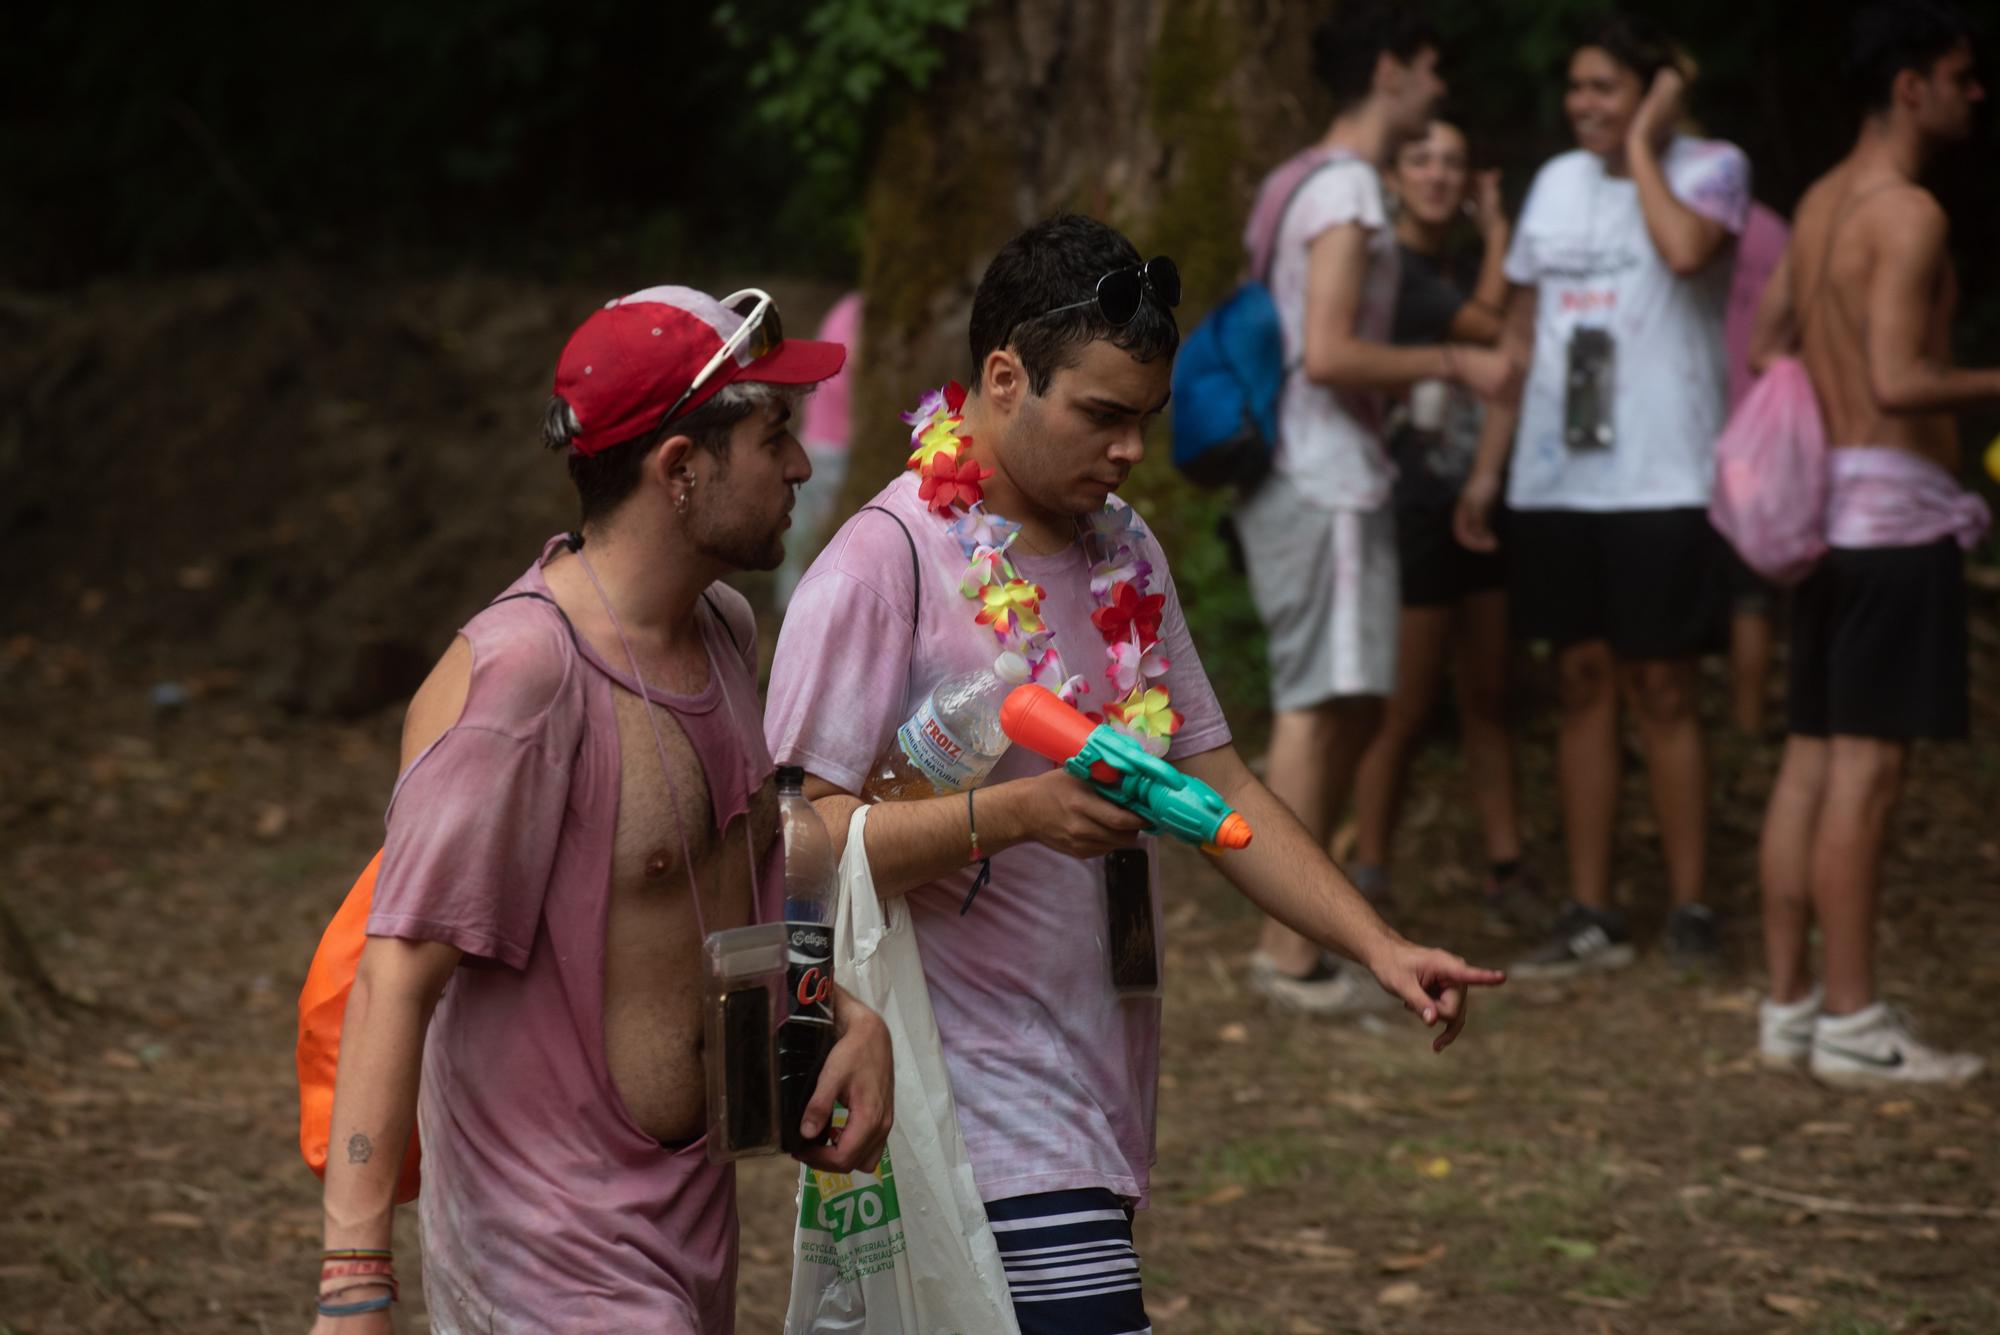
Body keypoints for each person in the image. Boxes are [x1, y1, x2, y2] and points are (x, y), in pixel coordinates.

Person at [765, 214, 1505, 1335]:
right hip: (961, 1102)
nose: (1127, 453)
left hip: (1098, 1086)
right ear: (1004, 378)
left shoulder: (1123, 546)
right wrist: (1017, 813)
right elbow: (792, 845)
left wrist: (1375, 944)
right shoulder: (885, 563)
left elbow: (1223, 787)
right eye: (1102, 416)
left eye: (1142, 422)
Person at [309, 286, 894, 1334]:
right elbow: (395, 975)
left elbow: (726, 898)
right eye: (773, 439)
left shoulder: (720, 628)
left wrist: (831, 1013)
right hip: (545, 1244)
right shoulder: (521, 682)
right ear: (680, 471)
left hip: (685, 1222)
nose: (802, 467)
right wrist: (355, 1283)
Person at [1232, 0, 1518, 1013]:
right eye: (1430, 69)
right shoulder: (1348, 187)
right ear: (1391, 72)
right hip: (1324, 477)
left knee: (1347, 704)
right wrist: (1454, 363)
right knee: (1318, 712)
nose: (1439, 89)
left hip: (1317, 474)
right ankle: (1286, 955)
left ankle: (1296, 936)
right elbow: (1330, 351)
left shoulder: (1290, 180)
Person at [1457, 13, 1752, 976]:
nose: (1586, 104)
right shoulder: (1553, 185)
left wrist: (1643, 145)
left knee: (1663, 685)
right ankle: (1593, 908)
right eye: (1578, 88)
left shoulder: (1711, 168)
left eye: (1607, 88)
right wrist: (1490, 470)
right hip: (1556, 479)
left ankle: (1693, 903)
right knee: (1581, 681)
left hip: (1663, 475)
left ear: (1655, 91)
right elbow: (1524, 329)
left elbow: (1682, 252)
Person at [1749, 0, 1989, 1086]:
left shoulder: (1816, 203)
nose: (1971, 92)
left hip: (1824, 521)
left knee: (1810, 760)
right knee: (1865, 775)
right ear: (1908, 86)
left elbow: (1766, 346)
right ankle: (1852, 1023)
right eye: (1957, 73)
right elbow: (1896, 378)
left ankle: (1790, 1006)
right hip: (1891, 516)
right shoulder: (1907, 213)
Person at [1346, 117, 1544, 938]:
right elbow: (1491, 324)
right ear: (1392, 174)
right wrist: (1501, 228)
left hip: (1481, 495)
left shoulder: (1457, 265)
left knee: (1490, 692)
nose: (1437, 173)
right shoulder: (1391, 268)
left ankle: (1508, 869)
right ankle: (1364, 875)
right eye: (1420, 157)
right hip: (1414, 503)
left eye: (1453, 160)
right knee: (1406, 702)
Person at [1720, 202, 1792, 736]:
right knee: (1749, 586)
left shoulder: (1662, 219)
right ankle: (1747, 723)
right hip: (1757, 436)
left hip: (1695, 434)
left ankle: (1741, 723)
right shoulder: (1772, 229)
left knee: (1743, 587)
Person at [775, 290, 863, 609]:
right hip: (832, 449)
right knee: (814, 540)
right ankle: (796, 611)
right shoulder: (859, 314)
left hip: (824, 444)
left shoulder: (849, 308)